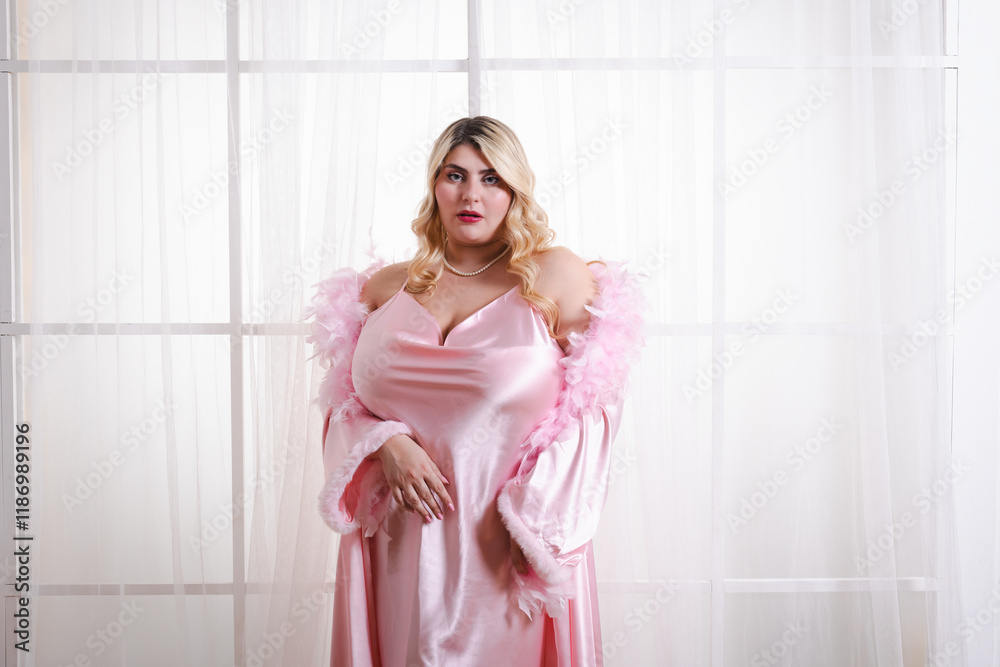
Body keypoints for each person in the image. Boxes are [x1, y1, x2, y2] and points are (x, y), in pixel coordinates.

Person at [308, 116, 644, 666]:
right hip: (398, 545)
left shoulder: (555, 277)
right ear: (434, 185)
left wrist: (536, 523)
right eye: (455, 175)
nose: (471, 194)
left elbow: (593, 410)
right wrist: (385, 443)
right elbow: (343, 403)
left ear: (515, 190)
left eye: (491, 179)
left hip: (504, 548)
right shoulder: (385, 289)